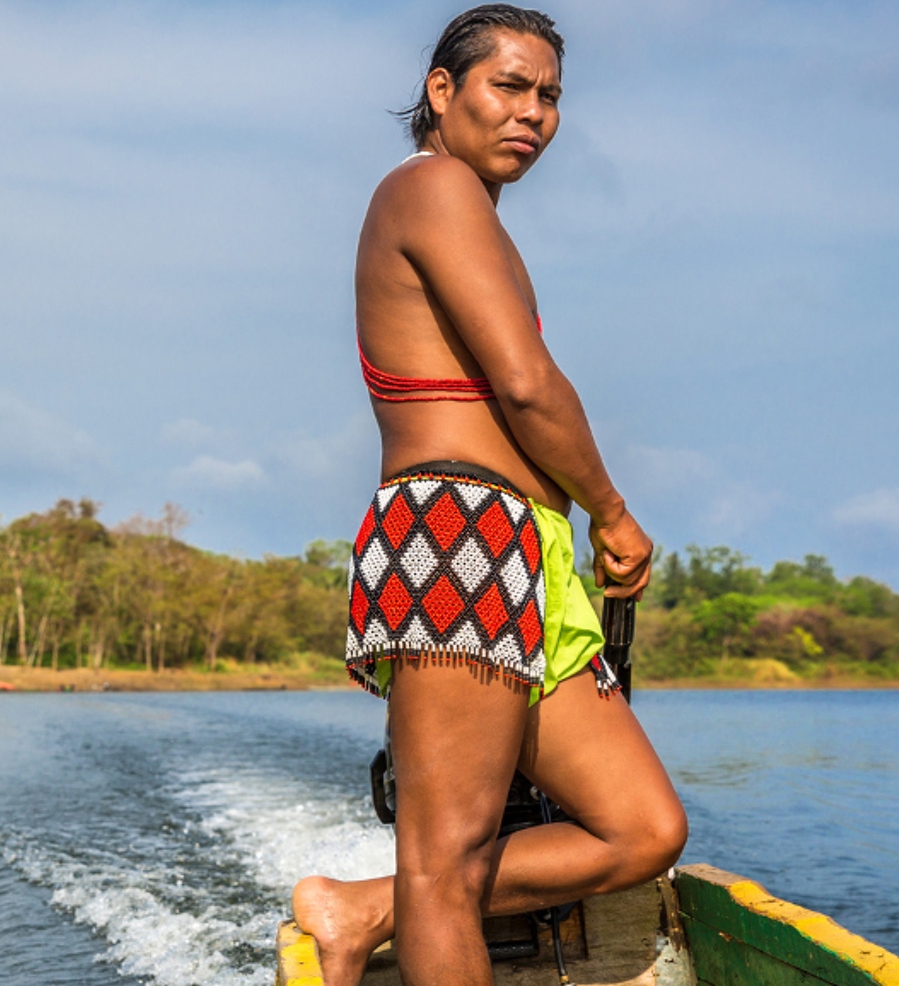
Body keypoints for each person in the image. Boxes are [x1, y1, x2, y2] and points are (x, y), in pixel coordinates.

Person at [291, 6, 687, 985]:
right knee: (447, 859)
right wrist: (613, 507)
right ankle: (400, 899)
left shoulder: (472, 211)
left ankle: (361, 906)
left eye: (548, 95)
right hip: (454, 527)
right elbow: (523, 383)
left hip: (524, 546)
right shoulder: (429, 187)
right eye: (508, 86)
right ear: (441, 91)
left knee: (641, 825)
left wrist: (569, 520)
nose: (533, 114)